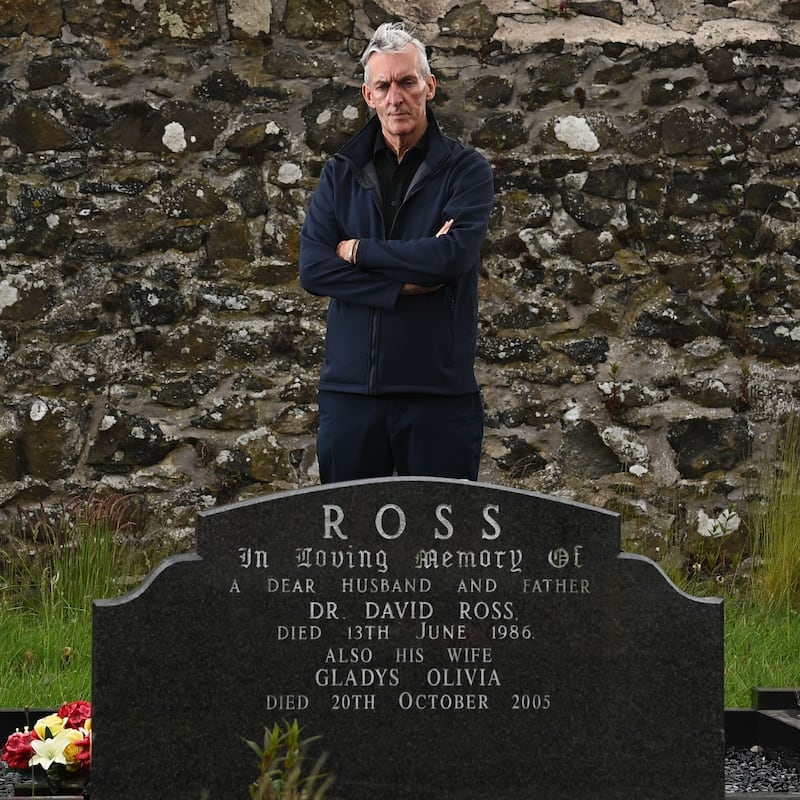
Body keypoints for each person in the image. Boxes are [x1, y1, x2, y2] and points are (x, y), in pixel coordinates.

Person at [299, 21, 495, 483]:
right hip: (350, 397)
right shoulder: (340, 173)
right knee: (346, 554)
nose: (396, 97)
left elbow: (449, 260)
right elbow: (314, 270)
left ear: (429, 86)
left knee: (442, 553)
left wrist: (359, 250)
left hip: (438, 398)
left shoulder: (467, 172)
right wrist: (403, 284)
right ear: (367, 95)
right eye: (383, 85)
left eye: (407, 82)